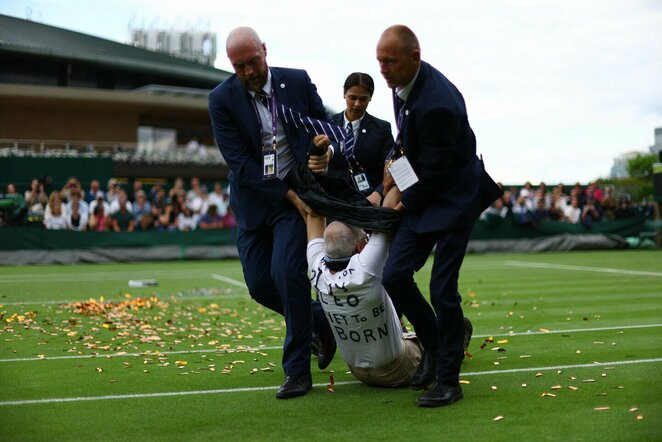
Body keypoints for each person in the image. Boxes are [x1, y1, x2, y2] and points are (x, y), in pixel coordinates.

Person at [375, 25, 501, 407]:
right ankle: (435, 344)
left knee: (442, 290)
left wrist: (396, 203)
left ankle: (449, 380)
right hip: (428, 192)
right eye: (380, 61)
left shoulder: (438, 104)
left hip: (454, 199)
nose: (384, 69)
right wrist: (393, 167)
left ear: (414, 56)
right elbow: (408, 143)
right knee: (395, 276)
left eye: (390, 61)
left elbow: (431, 174)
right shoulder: (402, 84)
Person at [208, 26, 336, 399]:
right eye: (239, 66)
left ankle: (296, 371)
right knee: (260, 286)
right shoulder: (221, 100)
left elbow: (322, 123)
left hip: (295, 198)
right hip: (254, 203)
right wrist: (288, 196)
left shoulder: (296, 82)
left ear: (265, 51)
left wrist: (325, 148)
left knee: (288, 276)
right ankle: (322, 321)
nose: (248, 71)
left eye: (253, 62)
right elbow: (241, 163)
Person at [328, 72, 394, 199]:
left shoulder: (382, 129)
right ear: (344, 94)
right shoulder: (328, 124)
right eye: (352, 98)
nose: (357, 104)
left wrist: (379, 193)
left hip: (367, 199)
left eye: (363, 99)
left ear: (370, 97)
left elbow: (390, 167)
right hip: (332, 198)